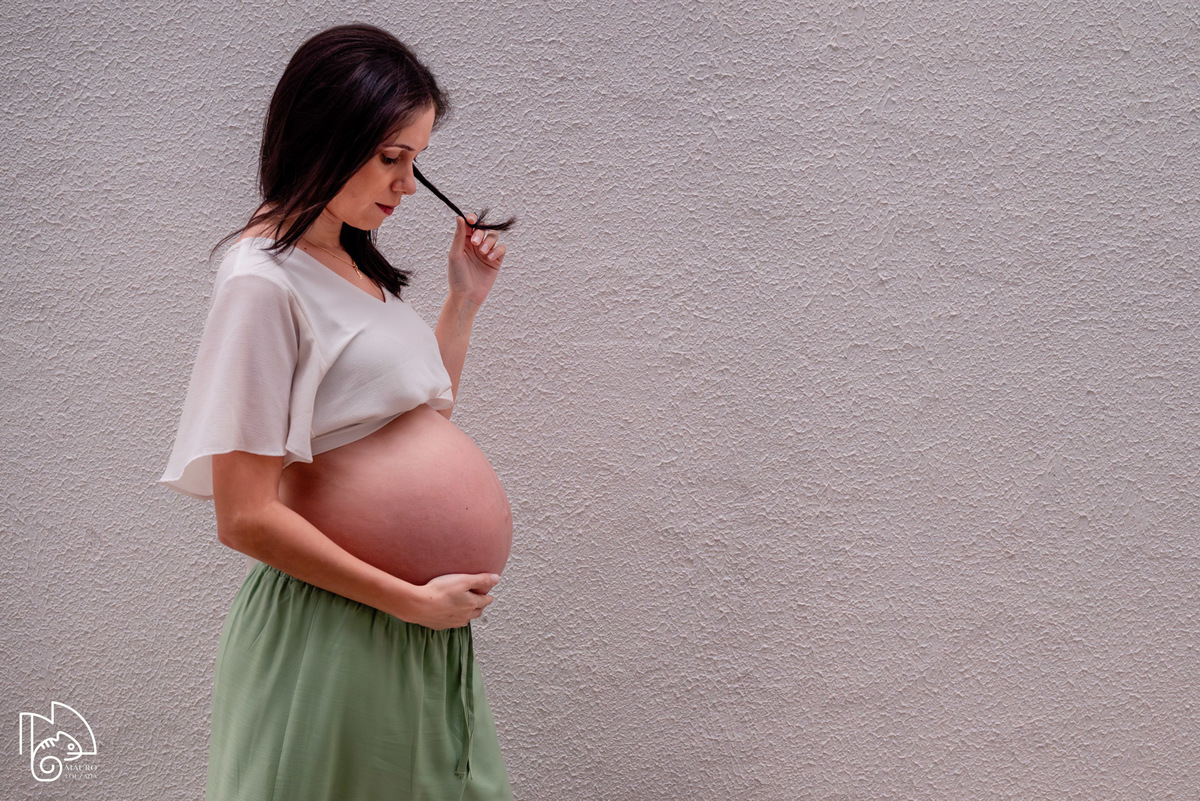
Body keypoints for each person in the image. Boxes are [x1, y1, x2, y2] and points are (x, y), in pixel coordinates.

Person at [158, 24, 516, 800]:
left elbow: (416, 420)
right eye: (392, 156)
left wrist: (462, 299)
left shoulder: (352, 264)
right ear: (326, 133)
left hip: (414, 626)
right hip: (344, 622)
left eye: (416, 159)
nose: (408, 184)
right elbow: (243, 516)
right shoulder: (262, 279)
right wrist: (412, 600)